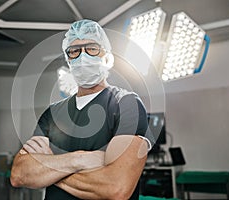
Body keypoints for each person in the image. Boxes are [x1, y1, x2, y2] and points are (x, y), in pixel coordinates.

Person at [10, 19, 152, 200]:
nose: (83, 57)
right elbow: (19, 174)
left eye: (92, 48)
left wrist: (50, 168)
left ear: (106, 57)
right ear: (68, 60)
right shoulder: (52, 113)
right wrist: (79, 159)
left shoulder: (127, 104)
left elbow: (116, 187)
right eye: (74, 51)